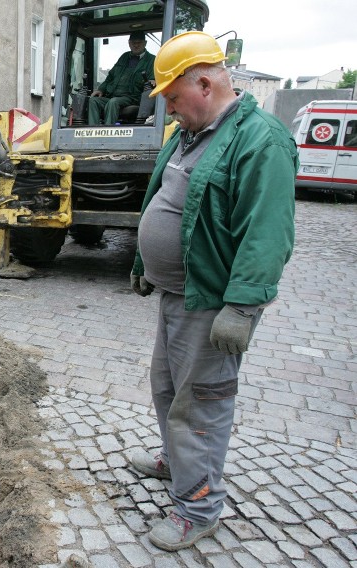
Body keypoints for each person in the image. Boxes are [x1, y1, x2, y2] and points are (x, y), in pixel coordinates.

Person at [129, 31, 298, 551]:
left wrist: (243, 308)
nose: (170, 111)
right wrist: (143, 259)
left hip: (213, 303)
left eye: (174, 99)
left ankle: (198, 506)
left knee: (200, 402)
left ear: (204, 82)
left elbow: (267, 231)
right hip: (177, 295)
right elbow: (166, 200)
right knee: (166, 388)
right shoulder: (192, 134)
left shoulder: (260, 140)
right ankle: (177, 462)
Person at [88, 31, 156, 125]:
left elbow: (153, 79)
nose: (136, 45)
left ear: (145, 43)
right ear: (129, 43)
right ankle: (93, 131)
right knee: (93, 101)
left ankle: (107, 134)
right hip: (113, 95)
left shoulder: (151, 60)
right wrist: (101, 89)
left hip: (132, 98)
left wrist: (153, 80)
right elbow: (110, 76)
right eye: (133, 43)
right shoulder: (124, 57)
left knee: (113, 102)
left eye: (139, 43)